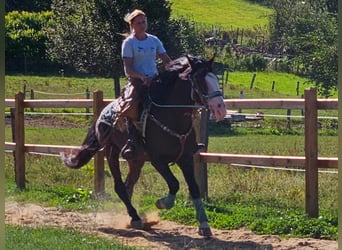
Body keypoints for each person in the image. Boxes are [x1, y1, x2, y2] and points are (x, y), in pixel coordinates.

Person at [120, 9, 171, 160]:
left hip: (154, 79)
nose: (142, 25)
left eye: (144, 22)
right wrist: (142, 77)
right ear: (132, 25)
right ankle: (131, 141)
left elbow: (166, 59)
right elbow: (128, 68)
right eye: (139, 23)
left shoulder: (154, 40)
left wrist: (177, 71)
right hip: (137, 82)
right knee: (132, 106)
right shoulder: (129, 43)